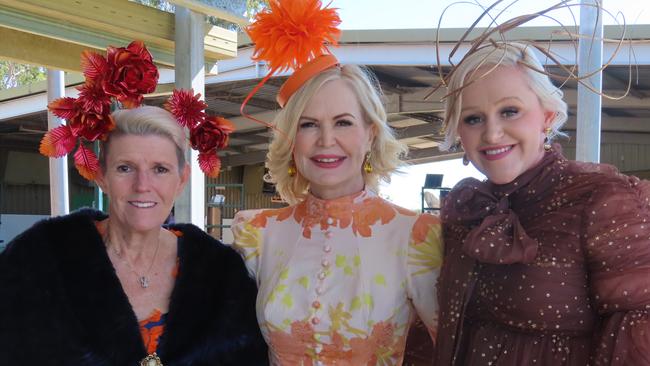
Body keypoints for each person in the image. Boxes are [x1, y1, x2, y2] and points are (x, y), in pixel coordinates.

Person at [434, 40, 650, 365]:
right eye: (473, 119)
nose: (492, 133)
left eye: (510, 111)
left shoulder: (602, 200)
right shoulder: (466, 209)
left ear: (547, 116)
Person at [0, 106, 268, 365]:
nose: (142, 186)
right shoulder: (40, 258)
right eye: (125, 168)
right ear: (101, 176)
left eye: (160, 169)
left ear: (182, 179)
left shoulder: (220, 273)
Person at [231, 59, 443, 363]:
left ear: (370, 134)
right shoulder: (257, 234)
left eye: (343, 122)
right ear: (292, 141)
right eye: (308, 124)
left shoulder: (416, 235)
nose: (326, 140)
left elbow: (452, 350)